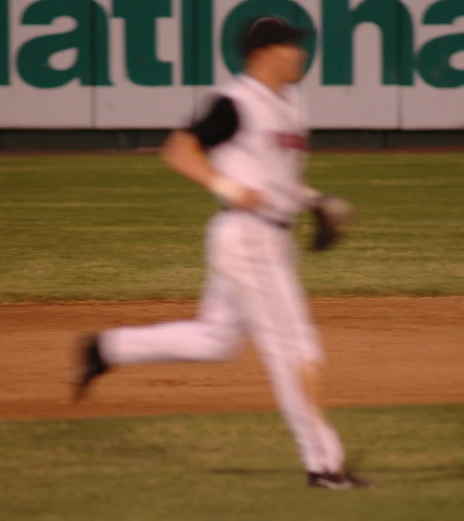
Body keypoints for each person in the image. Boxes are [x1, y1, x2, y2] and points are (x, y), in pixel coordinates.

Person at [73, 16, 371, 490]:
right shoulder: (235, 102)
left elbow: (276, 177)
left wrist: (313, 200)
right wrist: (226, 185)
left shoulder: (292, 102)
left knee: (215, 340)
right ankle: (324, 466)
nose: (300, 53)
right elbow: (178, 150)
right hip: (249, 239)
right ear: (262, 54)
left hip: (268, 237)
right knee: (296, 350)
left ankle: (107, 348)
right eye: (289, 46)